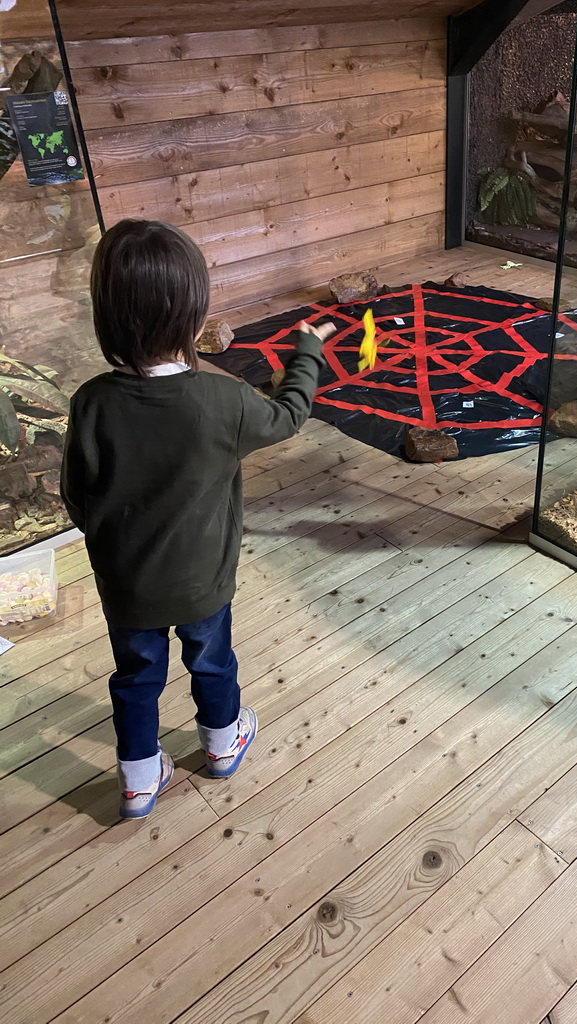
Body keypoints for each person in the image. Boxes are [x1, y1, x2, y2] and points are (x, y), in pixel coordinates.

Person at [61, 219, 334, 820]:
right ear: (193, 317)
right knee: (211, 660)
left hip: (127, 587)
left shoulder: (91, 403)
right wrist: (307, 354)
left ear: (105, 314)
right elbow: (289, 415)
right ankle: (220, 744)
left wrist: (116, 544)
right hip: (203, 583)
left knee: (135, 677)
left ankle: (137, 780)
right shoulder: (225, 401)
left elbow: (76, 496)